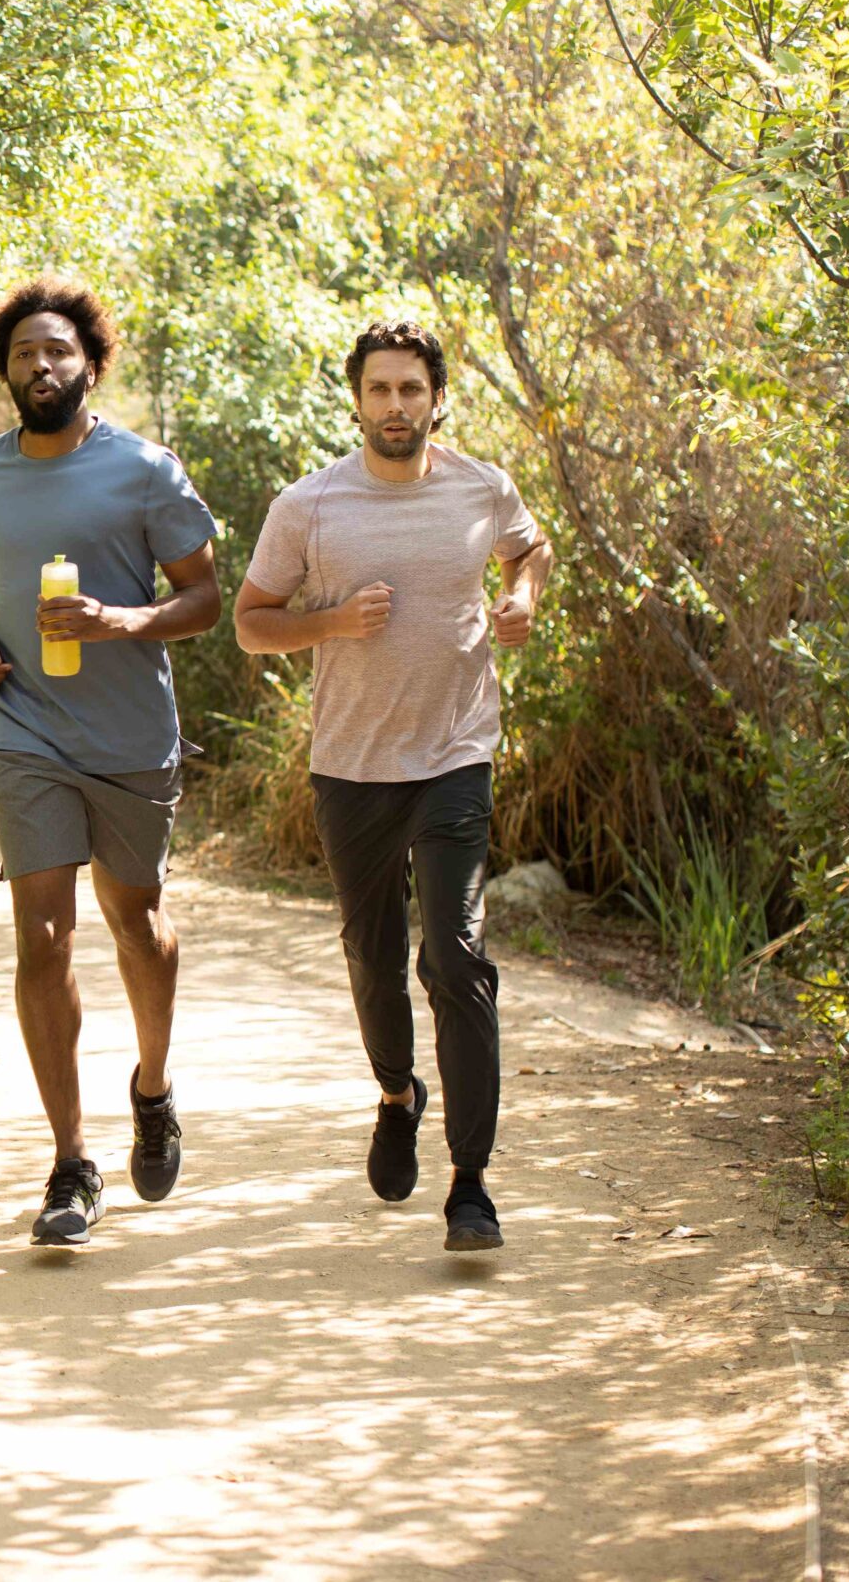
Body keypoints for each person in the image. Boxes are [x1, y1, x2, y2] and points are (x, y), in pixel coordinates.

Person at [232, 320, 555, 1253]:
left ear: (437, 398)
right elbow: (253, 624)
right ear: (357, 401)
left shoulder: (482, 487)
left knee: (455, 957)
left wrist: (525, 596)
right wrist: (329, 621)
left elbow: (529, 549)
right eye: (380, 390)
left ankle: (472, 1187)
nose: (396, 406)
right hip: (351, 766)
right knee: (374, 958)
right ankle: (397, 1092)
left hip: (455, 753)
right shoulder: (311, 506)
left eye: (411, 389)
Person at [0, 277, 222, 1246]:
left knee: (137, 923)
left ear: (91, 365)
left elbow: (204, 598)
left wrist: (121, 621)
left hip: (127, 734)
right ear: (5, 371)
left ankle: (151, 1087)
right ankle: (69, 1164)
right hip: (23, 725)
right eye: (24, 354)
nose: (41, 366)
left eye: (58, 351)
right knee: (43, 936)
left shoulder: (145, 471)